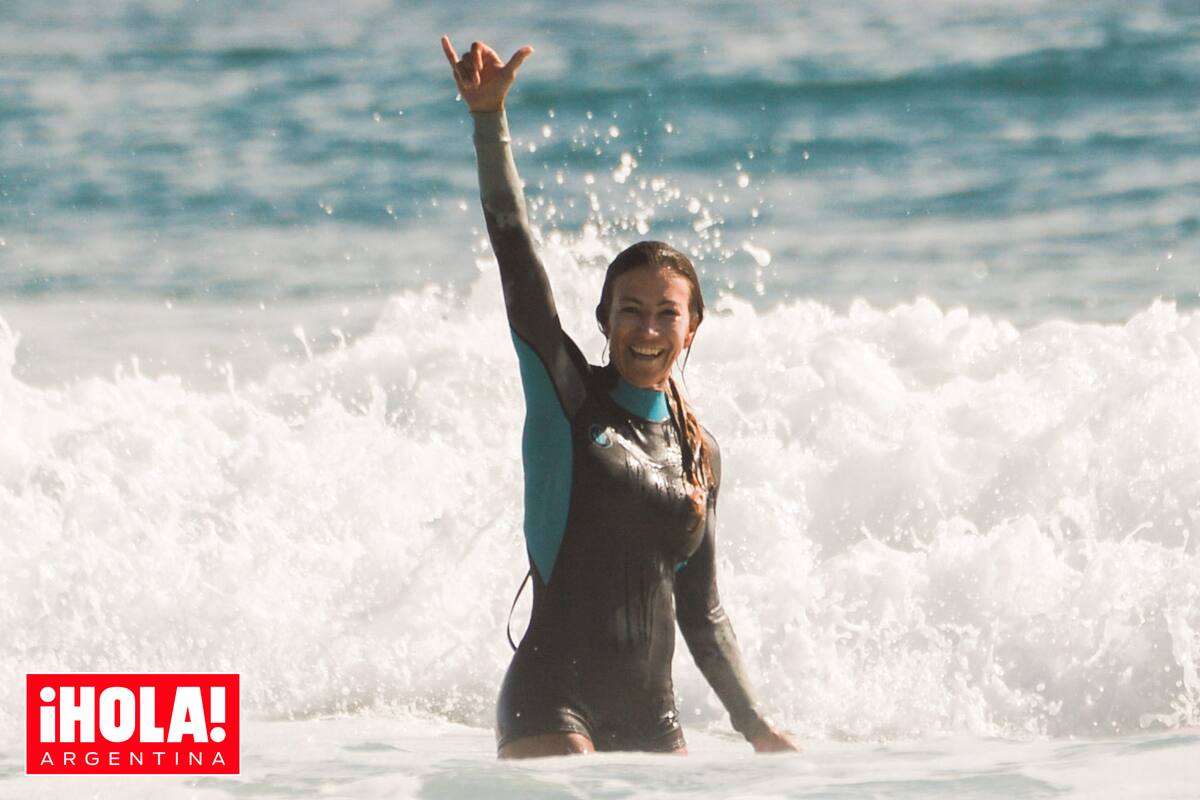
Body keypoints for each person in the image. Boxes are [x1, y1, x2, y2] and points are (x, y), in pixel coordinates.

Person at [441, 36, 799, 759]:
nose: (648, 329)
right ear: (604, 320)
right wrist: (489, 123)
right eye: (630, 311)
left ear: (692, 329)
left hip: (654, 722)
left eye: (667, 313)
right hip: (552, 704)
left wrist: (756, 727)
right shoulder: (569, 400)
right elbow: (518, 261)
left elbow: (704, 614)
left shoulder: (700, 455)